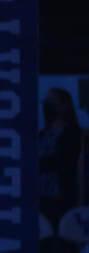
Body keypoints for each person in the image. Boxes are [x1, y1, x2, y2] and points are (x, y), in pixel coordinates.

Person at [39, 88, 81, 225]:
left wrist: (37, 163)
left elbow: (63, 162)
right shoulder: (40, 135)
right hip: (40, 199)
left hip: (62, 199)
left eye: (51, 102)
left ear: (65, 105)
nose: (46, 105)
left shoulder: (74, 134)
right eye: (45, 102)